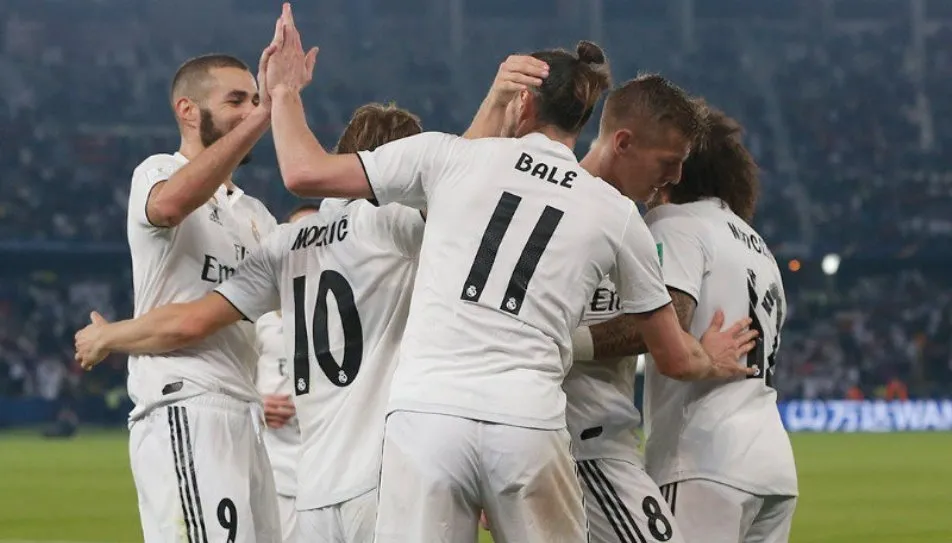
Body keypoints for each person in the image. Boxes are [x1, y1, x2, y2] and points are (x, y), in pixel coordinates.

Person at [261, 6, 754, 541]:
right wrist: (712, 357)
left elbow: (303, 172)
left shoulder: (450, 158)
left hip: (426, 418)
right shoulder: (614, 213)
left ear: (523, 101)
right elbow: (675, 357)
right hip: (526, 420)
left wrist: (284, 92)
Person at [75, 99, 427, 543]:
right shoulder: (392, 222)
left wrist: (109, 334)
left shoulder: (289, 240)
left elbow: (193, 320)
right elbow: (461, 179)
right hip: (385, 469)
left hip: (315, 485)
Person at [467, 74, 758, 543]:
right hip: (583, 449)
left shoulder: (614, 222)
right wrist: (705, 357)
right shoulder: (578, 215)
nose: (676, 179)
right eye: (668, 162)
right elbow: (510, 330)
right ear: (623, 142)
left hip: (558, 448)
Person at [101, 43, 289, 542]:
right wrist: (270, 112)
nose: (252, 111)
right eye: (237, 101)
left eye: (256, 100)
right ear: (188, 110)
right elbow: (170, 207)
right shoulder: (157, 171)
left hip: (246, 412)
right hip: (185, 402)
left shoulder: (257, 215)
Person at [642, 102, 798, 543]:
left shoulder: (674, 224)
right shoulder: (760, 249)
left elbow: (668, 327)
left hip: (702, 459)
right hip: (772, 463)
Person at [256, 203, 321, 543]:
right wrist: (257, 404)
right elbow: (233, 377)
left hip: (328, 467)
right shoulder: (260, 317)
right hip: (273, 467)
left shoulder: (350, 315)